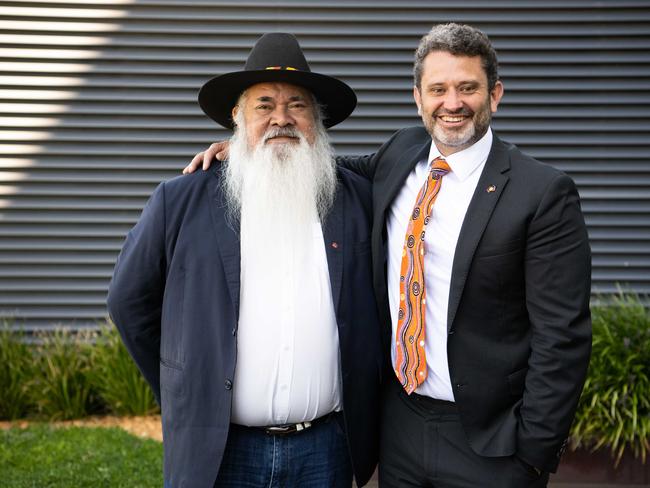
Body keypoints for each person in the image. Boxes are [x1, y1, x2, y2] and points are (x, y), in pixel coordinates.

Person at [185, 23, 593, 488]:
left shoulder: (542, 193)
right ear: (418, 98)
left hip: (492, 443)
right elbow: (315, 164)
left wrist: (534, 454)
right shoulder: (400, 155)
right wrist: (246, 148)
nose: (452, 103)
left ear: (494, 95)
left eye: (467, 88)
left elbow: (563, 338)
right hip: (401, 428)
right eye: (438, 89)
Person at [107, 32, 384, 488]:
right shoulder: (180, 201)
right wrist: (186, 386)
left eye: (297, 105)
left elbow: (414, 147)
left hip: (327, 448)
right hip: (221, 450)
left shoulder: (357, 200)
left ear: (316, 120)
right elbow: (128, 302)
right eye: (264, 106)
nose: (282, 118)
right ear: (236, 118)